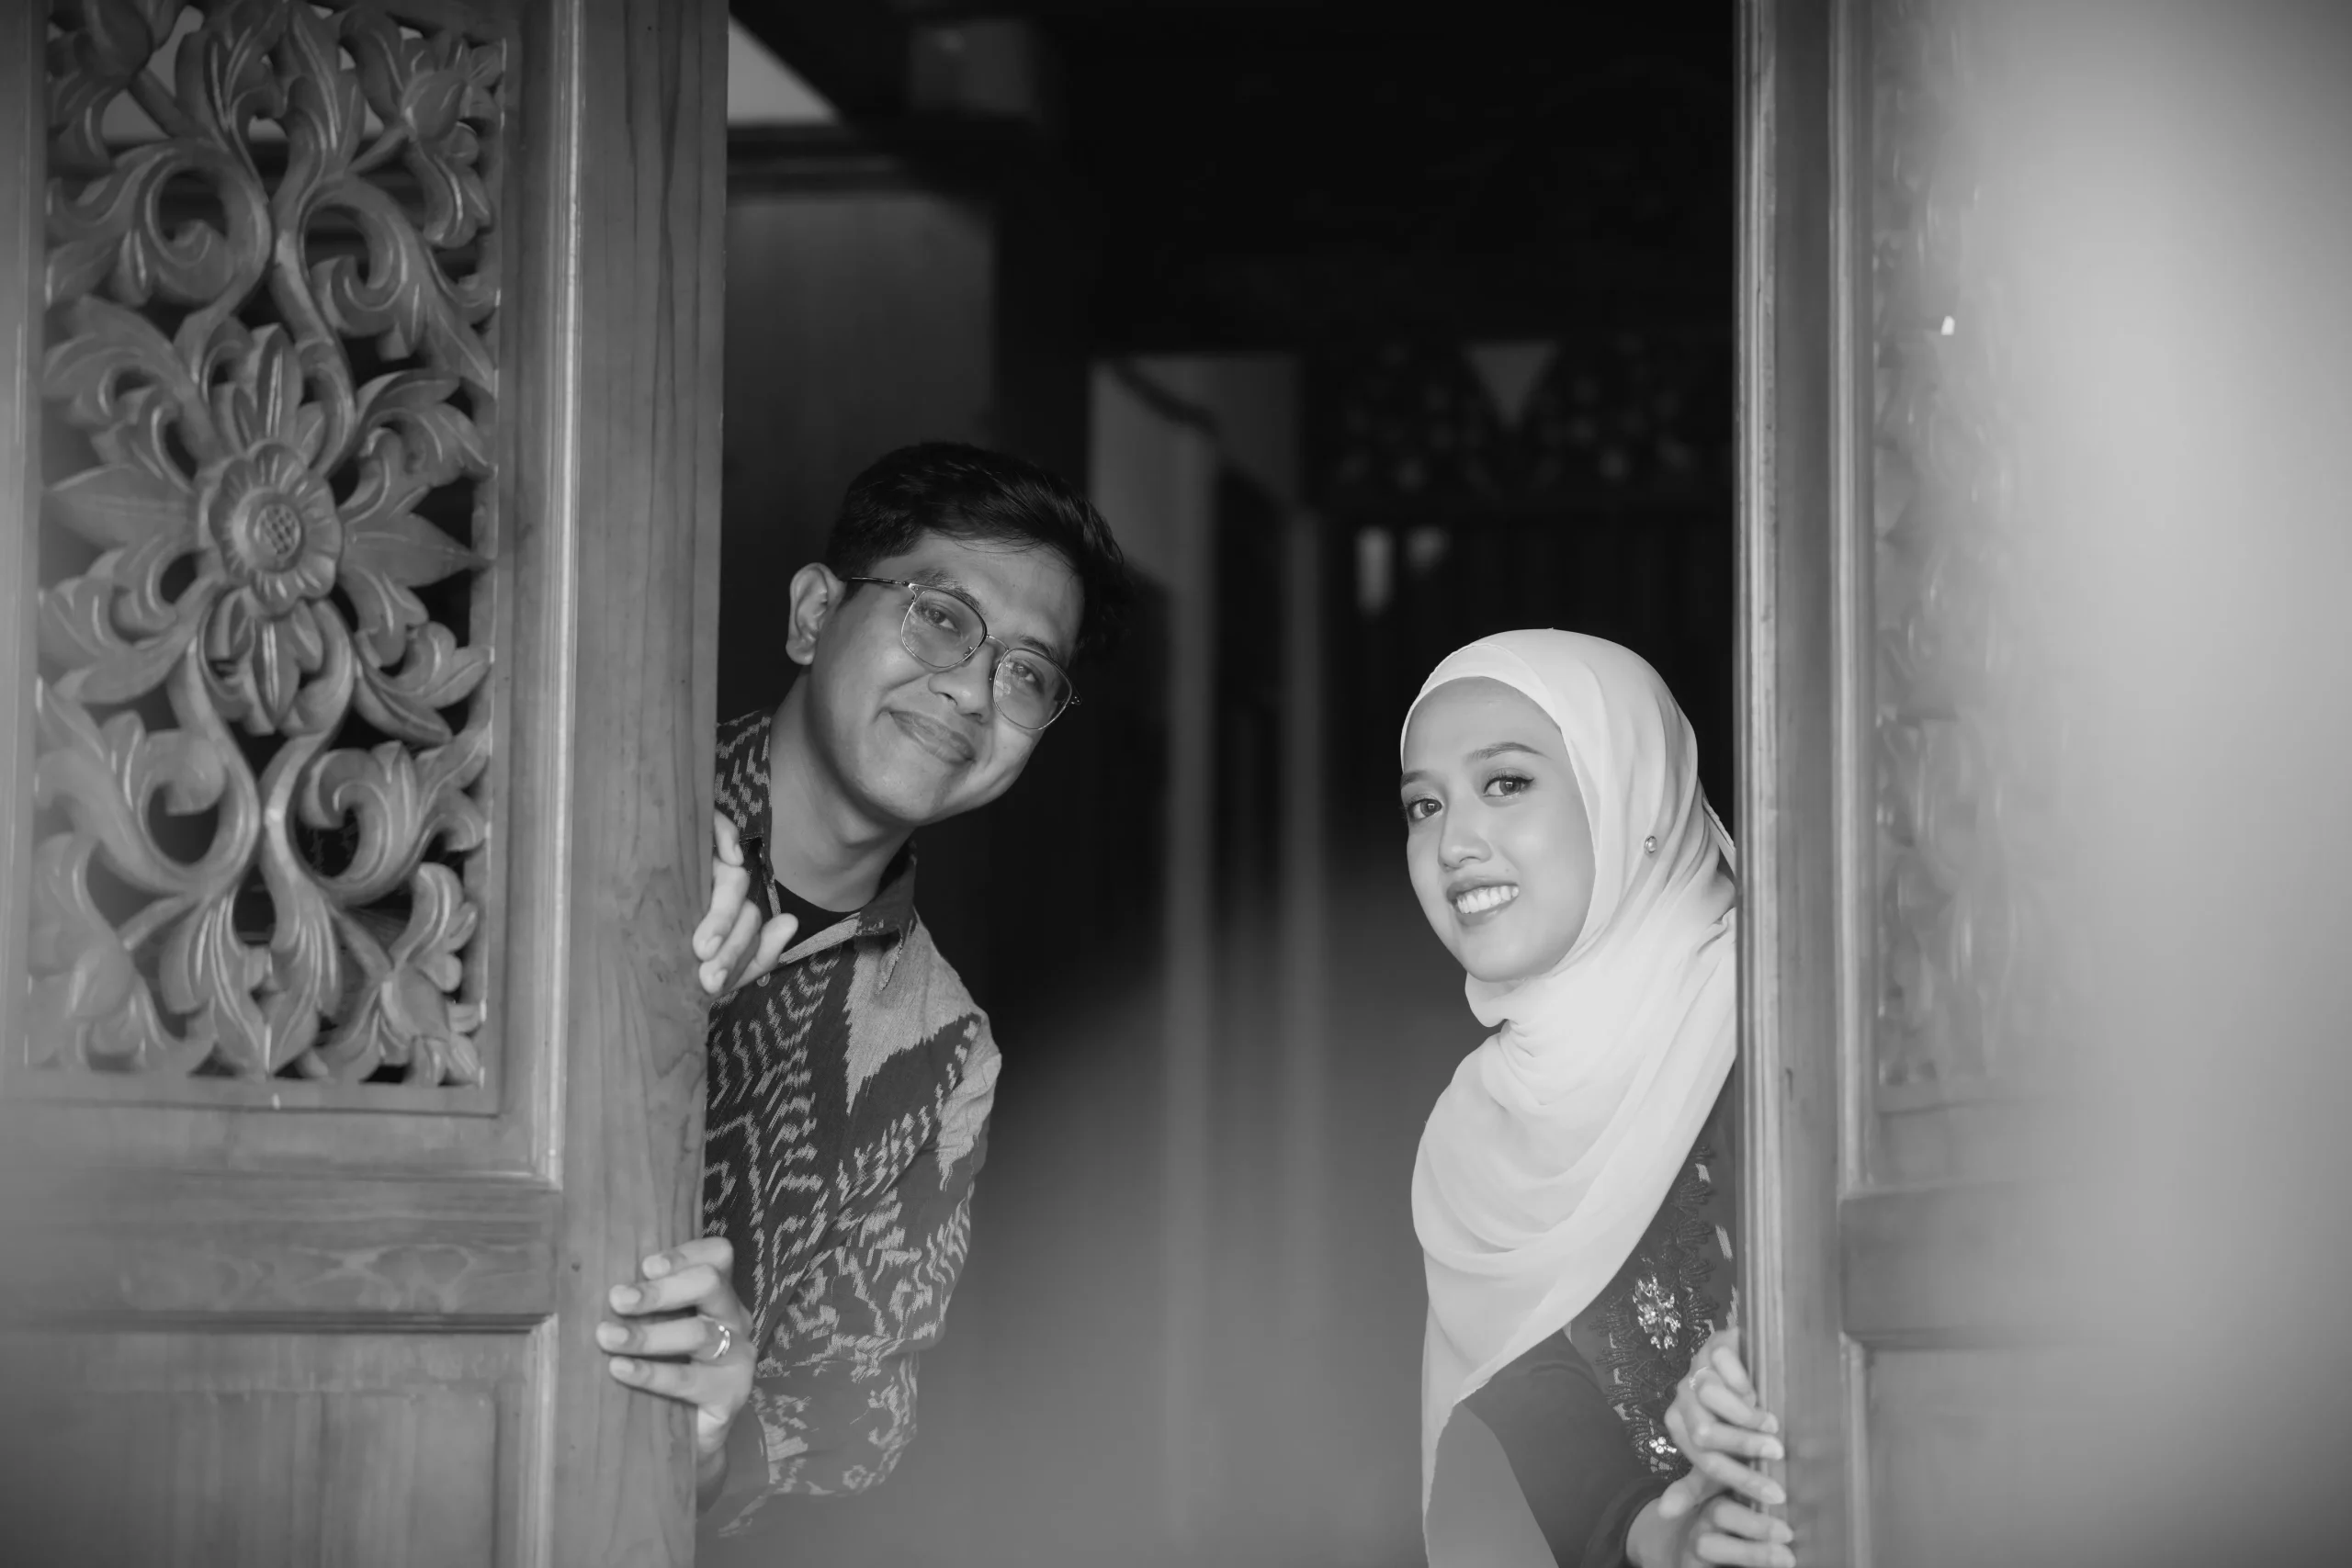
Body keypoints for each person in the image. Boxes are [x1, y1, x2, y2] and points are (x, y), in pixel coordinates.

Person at [591, 443, 1130, 1543]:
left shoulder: (944, 1049)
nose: (971, 690)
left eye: (1027, 675)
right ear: (812, 615)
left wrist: (717, 1424)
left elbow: (854, 1416)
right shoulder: (591, 817)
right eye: (940, 618)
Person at [1401, 631, 1791, 1568]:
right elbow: (1535, 1393)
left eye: (1506, 783)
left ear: (1633, 796)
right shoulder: (1472, 1134)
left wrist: (1774, 1357)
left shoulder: (1792, 1017)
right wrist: (1655, 1531)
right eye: (1424, 804)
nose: (1453, 844)